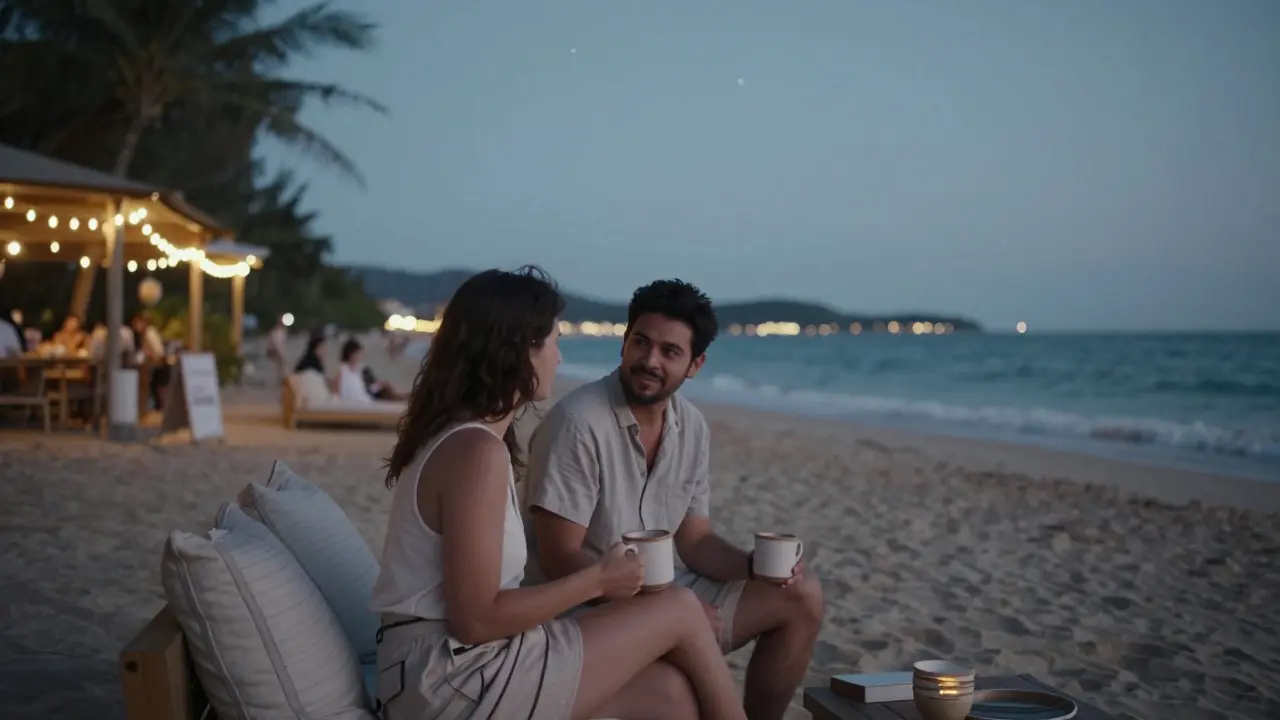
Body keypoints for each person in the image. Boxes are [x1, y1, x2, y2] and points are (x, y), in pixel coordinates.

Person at [369, 267, 747, 720]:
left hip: (455, 664)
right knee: (681, 607)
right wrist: (598, 580)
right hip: (447, 679)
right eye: (552, 342)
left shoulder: (471, 440)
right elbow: (476, 619)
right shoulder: (474, 452)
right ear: (516, 351)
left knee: (670, 695)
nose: (559, 359)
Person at [526, 279, 825, 720]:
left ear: (695, 364)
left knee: (803, 595)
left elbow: (696, 541)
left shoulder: (692, 427)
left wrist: (753, 566)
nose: (649, 360)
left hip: (665, 597)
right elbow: (560, 561)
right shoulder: (579, 422)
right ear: (624, 344)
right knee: (677, 692)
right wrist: (670, 614)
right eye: (641, 343)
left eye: (670, 351)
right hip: (578, 613)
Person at [336, 337, 375, 404]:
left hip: (361, 402)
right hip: (349, 404)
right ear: (350, 354)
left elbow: (362, 391)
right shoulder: (341, 371)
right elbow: (337, 394)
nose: (359, 356)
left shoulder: (358, 371)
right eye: (357, 354)